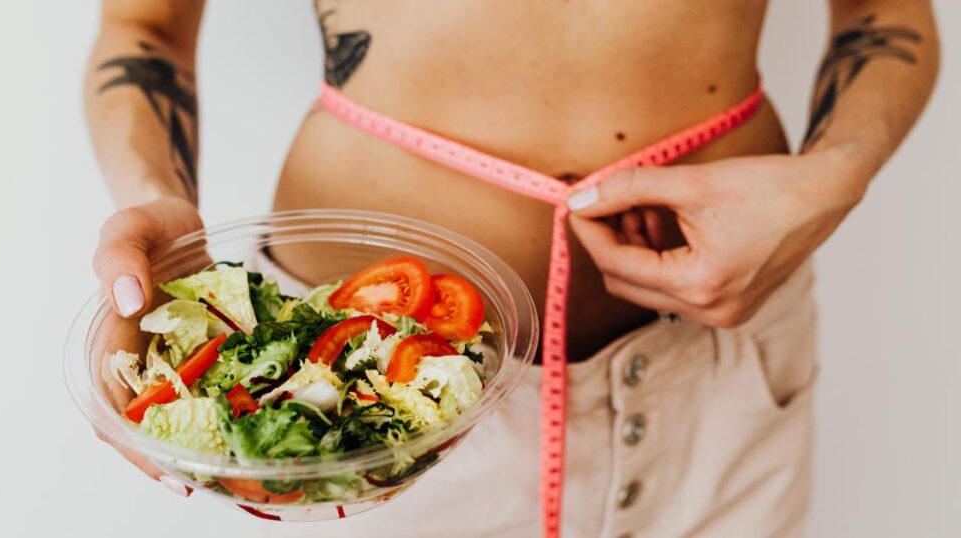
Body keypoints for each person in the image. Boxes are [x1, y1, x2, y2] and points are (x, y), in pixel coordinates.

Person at [84, 1, 939, 536]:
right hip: (355, 406)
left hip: (721, 383)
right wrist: (160, 211)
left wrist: (833, 178)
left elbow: (888, 13)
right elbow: (144, 28)